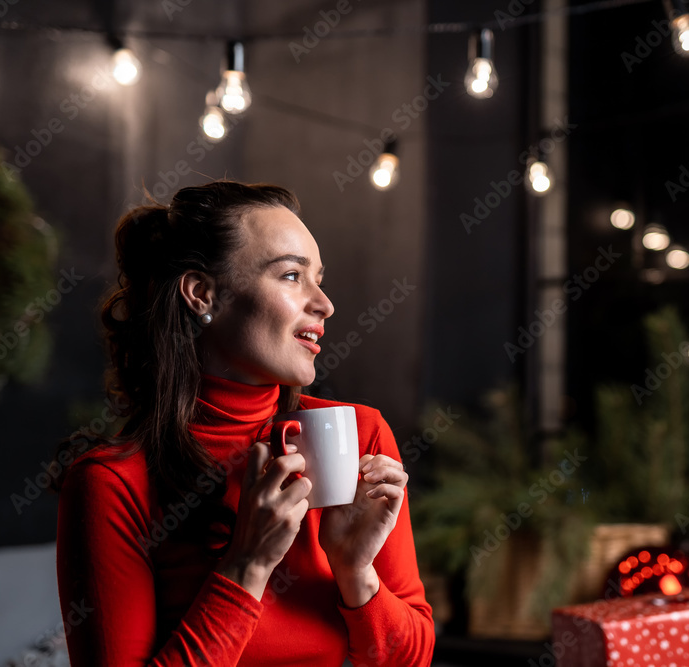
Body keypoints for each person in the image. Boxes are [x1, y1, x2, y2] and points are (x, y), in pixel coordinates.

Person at [53, 180, 435, 665]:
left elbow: (411, 659)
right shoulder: (111, 482)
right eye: (292, 276)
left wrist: (354, 570)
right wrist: (246, 567)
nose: (324, 304)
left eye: (320, 278)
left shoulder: (359, 436)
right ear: (202, 294)